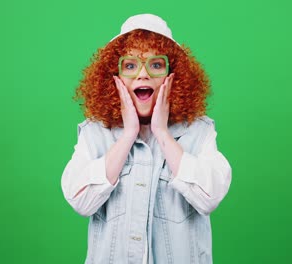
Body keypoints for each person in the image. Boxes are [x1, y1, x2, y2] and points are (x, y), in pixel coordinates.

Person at [61, 13, 232, 264]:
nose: (143, 75)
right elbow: (81, 201)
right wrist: (128, 134)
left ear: (173, 76)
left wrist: (162, 133)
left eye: (155, 65)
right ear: (115, 78)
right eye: (130, 65)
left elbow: (210, 197)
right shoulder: (95, 133)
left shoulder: (199, 132)